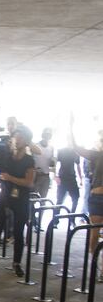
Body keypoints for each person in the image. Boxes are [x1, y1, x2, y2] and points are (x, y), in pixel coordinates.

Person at [0, 125, 36, 276]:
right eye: (15, 138)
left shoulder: (29, 160)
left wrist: (10, 178)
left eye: (20, 138)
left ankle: (16, 263)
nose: (17, 141)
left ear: (26, 141)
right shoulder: (5, 156)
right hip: (4, 196)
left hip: (21, 198)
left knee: (18, 231)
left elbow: (29, 182)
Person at [69, 118, 103, 281]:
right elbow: (77, 148)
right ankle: (97, 267)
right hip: (97, 198)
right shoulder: (97, 155)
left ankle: (102, 268)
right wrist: (70, 127)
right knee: (94, 235)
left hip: (97, 198)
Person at [56, 142, 83, 214]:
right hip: (62, 177)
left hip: (72, 178)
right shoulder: (61, 151)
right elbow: (55, 163)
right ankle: (55, 219)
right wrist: (56, 176)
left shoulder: (75, 152)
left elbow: (78, 165)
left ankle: (72, 217)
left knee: (76, 198)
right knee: (59, 199)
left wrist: (81, 179)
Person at [33, 128, 55, 199]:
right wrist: (35, 169)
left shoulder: (51, 148)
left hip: (46, 177)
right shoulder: (36, 146)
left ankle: (41, 210)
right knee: (33, 198)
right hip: (36, 176)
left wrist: (52, 163)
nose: (47, 136)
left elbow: (51, 164)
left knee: (43, 200)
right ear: (42, 135)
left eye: (49, 135)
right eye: (46, 134)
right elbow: (30, 161)